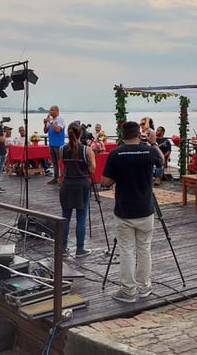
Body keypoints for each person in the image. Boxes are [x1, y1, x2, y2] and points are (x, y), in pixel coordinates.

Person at [101, 121, 164, 303]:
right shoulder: (149, 151)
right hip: (145, 209)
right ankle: (144, 287)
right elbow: (162, 161)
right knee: (144, 249)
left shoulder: (115, 154)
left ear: (122, 136)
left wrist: (119, 175)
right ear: (139, 135)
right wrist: (153, 143)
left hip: (124, 210)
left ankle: (128, 291)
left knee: (127, 251)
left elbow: (105, 182)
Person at [59, 122, 96, 257]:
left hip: (67, 184)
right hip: (81, 185)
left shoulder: (62, 149)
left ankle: (62, 248)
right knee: (81, 217)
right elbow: (92, 169)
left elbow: (63, 165)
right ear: (81, 134)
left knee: (65, 217)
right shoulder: (86, 150)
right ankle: (80, 249)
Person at [44, 105, 66, 184]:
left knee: (61, 162)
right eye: (50, 110)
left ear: (57, 111)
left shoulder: (60, 119)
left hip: (59, 144)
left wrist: (50, 122)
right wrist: (45, 123)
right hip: (51, 144)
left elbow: (57, 129)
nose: (50, 111)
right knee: (54, 162)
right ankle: (56, 177)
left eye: (52, 110)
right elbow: (45, 131)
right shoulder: (51, 120)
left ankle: (63, 177)